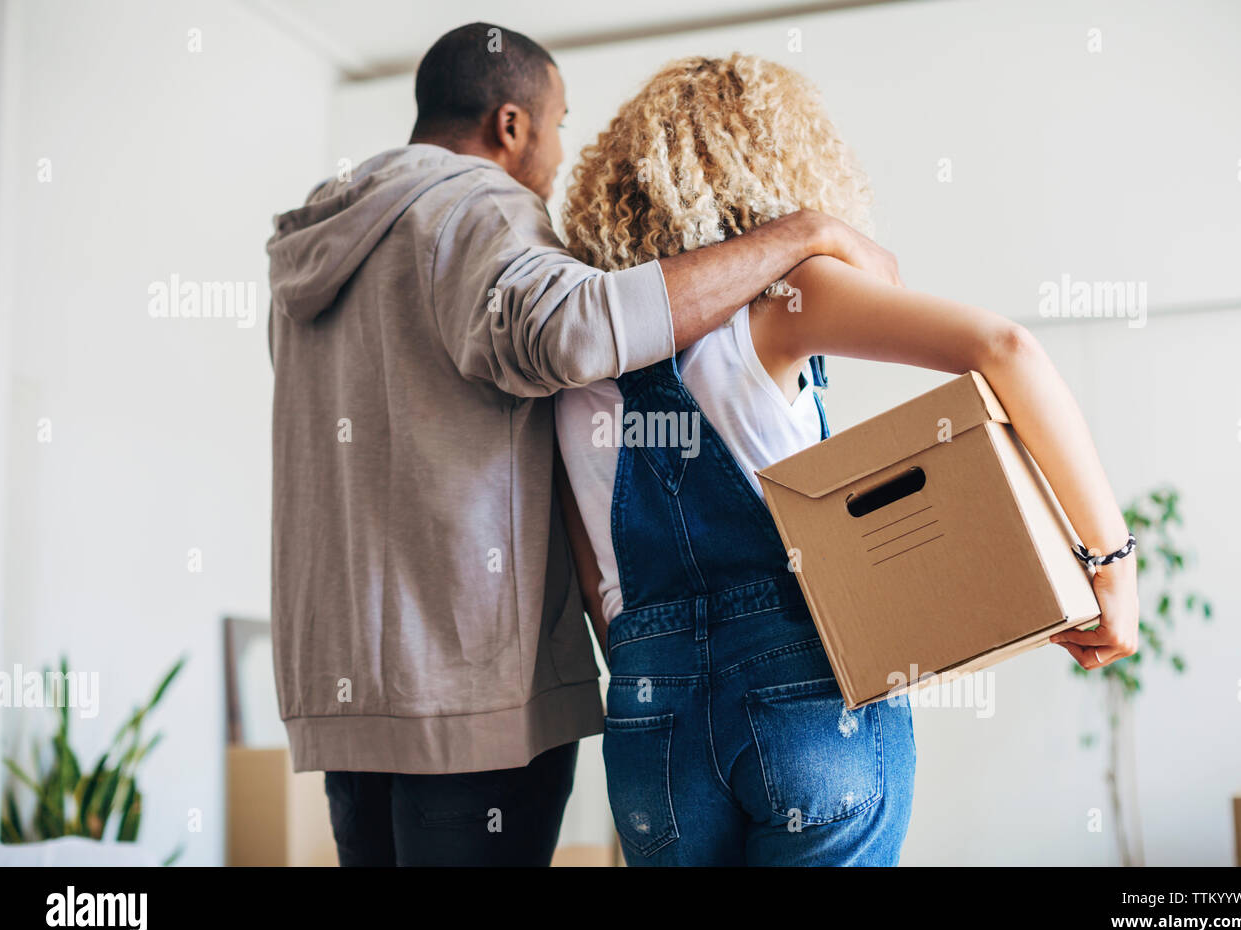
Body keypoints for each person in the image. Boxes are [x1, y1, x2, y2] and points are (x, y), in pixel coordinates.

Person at [266, 26, 895, 866]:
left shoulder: (323, 242)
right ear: (511, 125)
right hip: (469, 696)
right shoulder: (477, 207)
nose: (562, 154)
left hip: (345, 692)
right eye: (559, 123)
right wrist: (798, 235)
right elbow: (571, 330)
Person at [555, 54, 1139, 866]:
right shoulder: (784, 303)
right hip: (804, 697)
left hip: (651, 723)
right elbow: (1003, 347)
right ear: (776, 167)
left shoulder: (573, 366)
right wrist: (1110, 566)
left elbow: (597, 585)